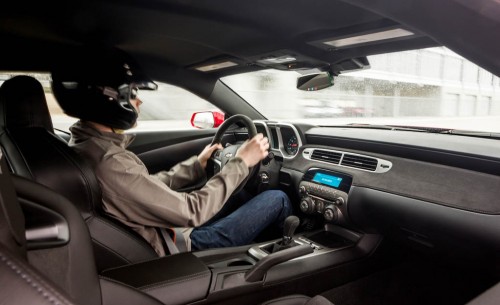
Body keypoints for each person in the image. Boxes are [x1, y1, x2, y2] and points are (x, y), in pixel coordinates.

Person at [51, 46, 292, 256]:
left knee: (238, 197)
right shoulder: (110, 163)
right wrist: (240, 162)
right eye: (133, 93)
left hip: (167, 231)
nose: (139, 102)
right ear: (111, 99)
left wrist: (196, 166)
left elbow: (144, 187)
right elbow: (192, 211)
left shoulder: (88, 148)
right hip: (179, 246)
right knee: (277, 199)